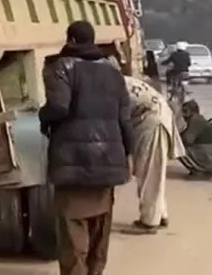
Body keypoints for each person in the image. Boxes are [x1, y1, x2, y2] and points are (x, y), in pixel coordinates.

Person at [39, 20, 134, 275]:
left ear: (70, 40)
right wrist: (128, 153)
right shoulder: (114, 72)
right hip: (108, 160)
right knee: (100, 225)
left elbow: (58, 107)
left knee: (73, 227)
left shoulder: (61, 67)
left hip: (73, 162)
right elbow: (125, 118)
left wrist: (42, 117)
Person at [123, 75, 185, 234]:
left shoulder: (107, 86)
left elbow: (119, 121)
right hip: (158, 115)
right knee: (155, 171)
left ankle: (150, 222)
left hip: (151, 119)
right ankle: (160, 214)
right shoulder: (121, 79)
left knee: (149, 173)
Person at [178, 100, 212, 179]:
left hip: (208, 154)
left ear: (192, 111)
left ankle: (200, 170)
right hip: (207, 152)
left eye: (185, 111)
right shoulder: (198, 119)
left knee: (178, 148)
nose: (183, 114)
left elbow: (187, 140)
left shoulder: (196, 120)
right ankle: (201, 169)